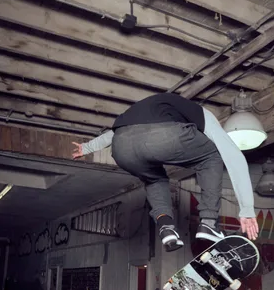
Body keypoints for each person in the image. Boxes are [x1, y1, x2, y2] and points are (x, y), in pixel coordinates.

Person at [72, 93, 259, 252]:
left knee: (154, 179)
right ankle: (209, 222)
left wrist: (87, 148)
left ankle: (166, 227)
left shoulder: (157, 107)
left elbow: (112, 135)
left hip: (121, 148)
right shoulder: (206, 116)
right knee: (213, 155)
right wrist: (247, 208)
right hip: (163, 137)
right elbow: (233, 155)